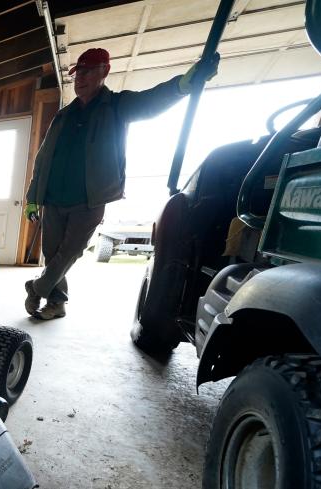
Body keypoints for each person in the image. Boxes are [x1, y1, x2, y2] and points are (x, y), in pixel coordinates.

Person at [23, 47, 217, 320]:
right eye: (78, 73)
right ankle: (57, 302)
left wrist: (183, 85)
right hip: (52, 198)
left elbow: (151, 102)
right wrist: (33, 197)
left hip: (89, 200)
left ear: (105, 71)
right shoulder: (63, 116)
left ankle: (37, 288)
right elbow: (42, 159)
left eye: (88, 71)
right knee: (52, 254)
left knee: (69, 252)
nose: (80, 79)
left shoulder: (116, 106)